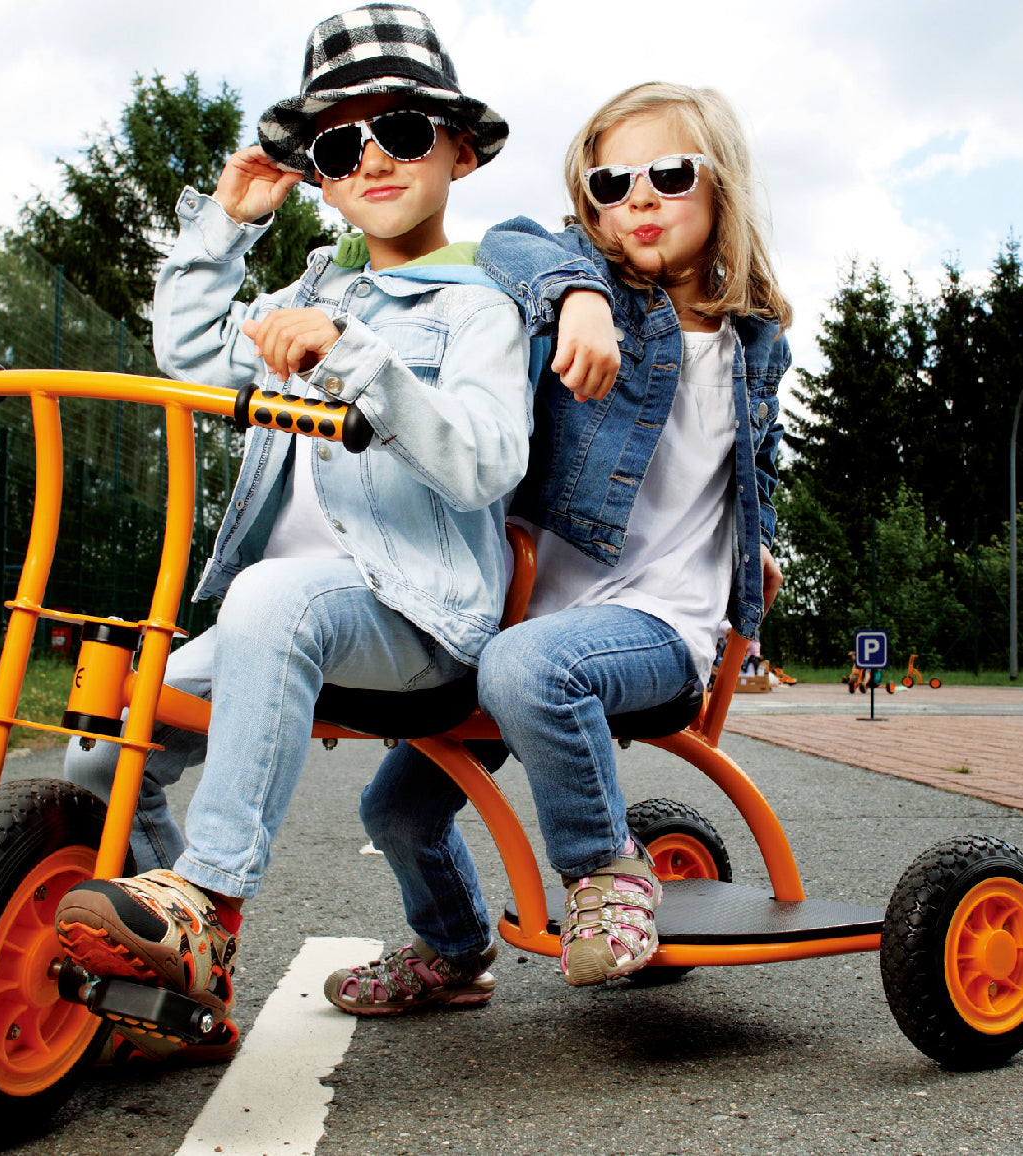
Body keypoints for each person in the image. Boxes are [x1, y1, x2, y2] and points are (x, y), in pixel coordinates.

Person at [55, 4, 532, 1064]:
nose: (371, 156)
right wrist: (229, 224)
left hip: (418, 618)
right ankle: (170, 967)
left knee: (275, 595)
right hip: (287, 621)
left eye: (402, 129)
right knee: (104, 750)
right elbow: (189, 353)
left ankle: (208, 902)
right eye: (337, 143)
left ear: (457, 146)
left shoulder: (481, 308)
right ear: (315, 173)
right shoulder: (311, 286)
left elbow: (487, 461)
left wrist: (357, 354)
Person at [325, 80, 791, 1012]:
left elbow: (755, 464)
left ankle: (607, 873)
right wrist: (579, 296)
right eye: (610, 184)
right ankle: (451, 948)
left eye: (667, 173)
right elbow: (507, 242)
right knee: (397, 807)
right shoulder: (577, 286)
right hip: (527, 617)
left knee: (527, 669)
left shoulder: (754, 342)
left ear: (720, 187)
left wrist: (763, 548)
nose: (639, 201)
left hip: (661, 625)